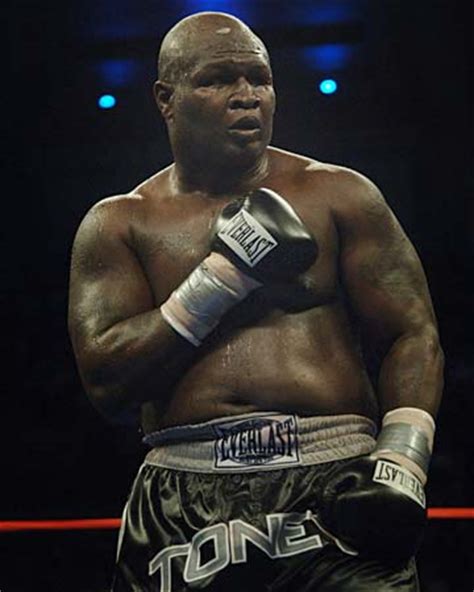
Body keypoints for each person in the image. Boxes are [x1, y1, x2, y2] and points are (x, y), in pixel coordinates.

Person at [68, 11, 444, 592]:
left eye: (259, 79)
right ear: (166, 99)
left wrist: (402, 461)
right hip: (183, 496)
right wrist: (222, 277)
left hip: (334, 479)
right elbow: (107, 385)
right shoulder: (120, 223)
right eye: (218, 79)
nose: (247, 96)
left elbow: (412, 333)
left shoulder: (339, 194)